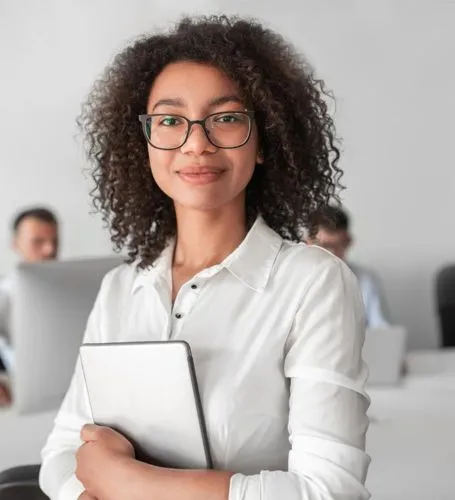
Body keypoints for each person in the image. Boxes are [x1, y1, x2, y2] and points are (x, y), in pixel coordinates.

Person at [40, 16, 370, 500]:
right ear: (146, 143)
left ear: (264, 141)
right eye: (171, 120)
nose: (197, 143)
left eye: (227, 118)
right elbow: (61, 453)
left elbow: (330, 491)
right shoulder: (120, 289)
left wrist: (131, 482)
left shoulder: (313, 282)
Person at [0, 207, 59, 405]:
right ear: (16, 244)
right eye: (38, 242)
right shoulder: (5, 292)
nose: (49, 249)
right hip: (25, 395)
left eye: (54, 241)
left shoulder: (72, 288)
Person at [307, 205, 390, 328]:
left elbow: (382, 331)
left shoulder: (366, 281)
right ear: (308, 243)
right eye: (324, 246)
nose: (331, 254)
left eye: (337, 246)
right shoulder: (292, 280)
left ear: (348, 242)